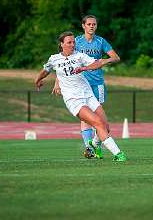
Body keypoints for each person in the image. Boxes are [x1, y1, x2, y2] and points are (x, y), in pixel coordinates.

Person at [35, 31, 127, 162]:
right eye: (69, 42)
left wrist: (85, 68)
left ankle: (93, 146)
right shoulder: (54, 59)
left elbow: (96, 63)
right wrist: (37, 80)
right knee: (97, 123)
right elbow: (45, 71)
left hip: (88, 95)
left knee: (105, 127)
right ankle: (118, 154)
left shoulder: (80, 56)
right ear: (62, 44)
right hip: (74, 100)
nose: (73, 45)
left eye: (74, 42)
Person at [52, 15, 120, 159]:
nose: (91, 26)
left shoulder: (101, 41)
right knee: (86, 118)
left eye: (94, 24)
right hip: (80, 85)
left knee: (100, 119)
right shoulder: (75, 41)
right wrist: (57, 82)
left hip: (97, 83)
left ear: (96, 26)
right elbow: (64, 62)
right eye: (89, 24)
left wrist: (103, 61)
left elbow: (116, 57)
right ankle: (89, 147)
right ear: (83, 26)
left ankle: (97, 146)